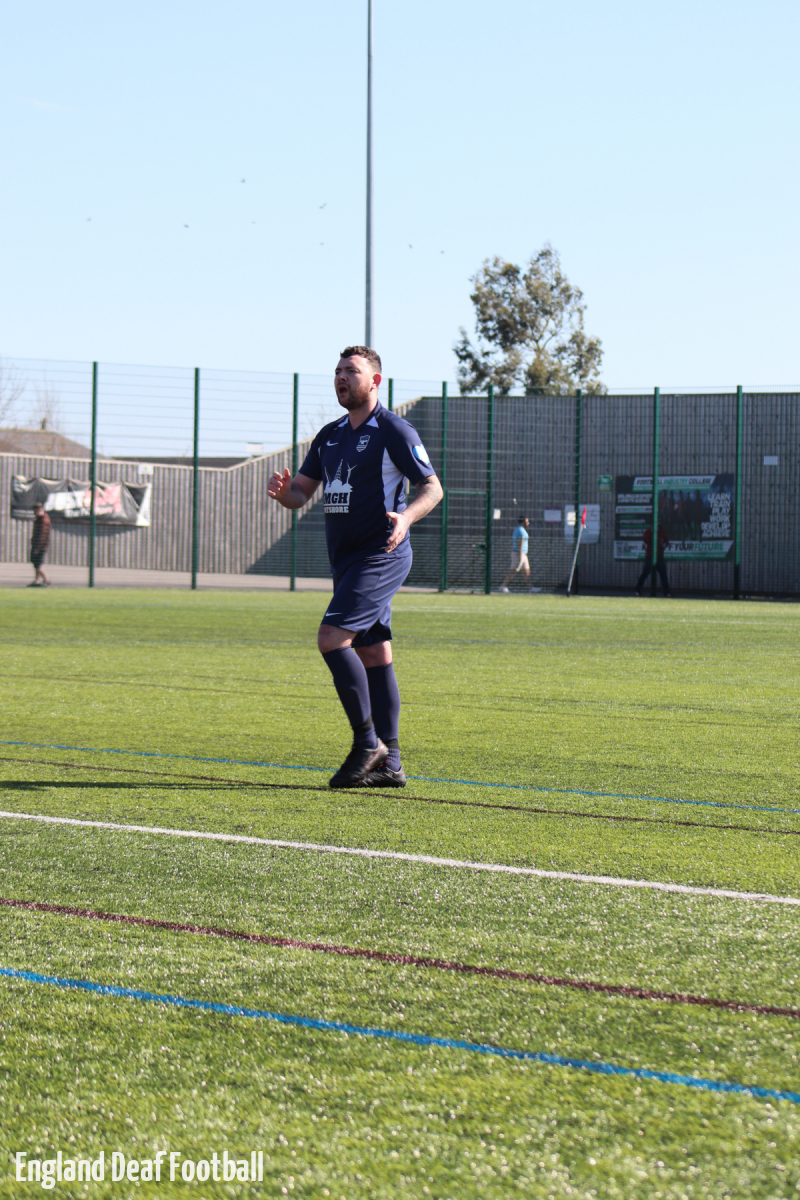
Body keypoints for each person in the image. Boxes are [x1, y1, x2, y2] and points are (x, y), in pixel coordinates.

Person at [268, 346, 443, 789]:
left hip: (381, 554)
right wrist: (285, 494)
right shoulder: (329, 436)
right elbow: (300, 493)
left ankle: (368, 744)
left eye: (352, 370)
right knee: (374, 653)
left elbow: (431, 488)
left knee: (331, 638)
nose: (342, 377)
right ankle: (392, 763)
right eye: (338, 371)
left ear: (375, 381)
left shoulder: (393, 430)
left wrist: (406, 517)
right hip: (346, 561)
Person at [634, 521, 671, 596]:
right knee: (645, 573)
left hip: (659, 557)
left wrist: (664, 544)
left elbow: (666, 540)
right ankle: (637, 590)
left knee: (663, 574)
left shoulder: (661, 531)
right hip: (650, 556)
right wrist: (652, 532)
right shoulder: (649, 530)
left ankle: (667, 593)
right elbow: (645, 539)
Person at [499, 515, 530, 592]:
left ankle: (531, 588)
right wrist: (520, 557)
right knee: (513, 571)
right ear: (523, 522)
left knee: (526, 571)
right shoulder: (521, 531)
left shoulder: (519, 530)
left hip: (523, 554)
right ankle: (502, 587)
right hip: (519, 554)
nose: (528, 523)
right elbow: (520, 544)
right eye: (527, 522)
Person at [29, 502, 51, 587]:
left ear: (40, 509)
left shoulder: (43, 520)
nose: (34, 513)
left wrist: (37, 547)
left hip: (40, 546)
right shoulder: (39, 519)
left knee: (37, 564)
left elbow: (42, 535)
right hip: (37, 545)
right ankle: (37, 580)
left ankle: (46, 579)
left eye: (35, 511)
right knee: (36, 563)